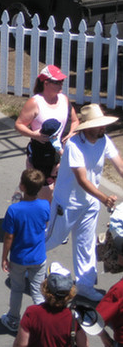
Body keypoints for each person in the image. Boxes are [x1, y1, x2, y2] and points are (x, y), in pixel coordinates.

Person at [45, 104, 123, 302]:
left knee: (86, 245)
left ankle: (85, 286)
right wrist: (104, 198)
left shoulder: (104, 140)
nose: (102, 129)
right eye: (98, 126)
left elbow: (119, 164)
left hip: (90, 204)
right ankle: (26, 262)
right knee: (52, 239)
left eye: (103, 125)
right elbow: (82, 180)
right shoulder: (74, 145)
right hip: (67, 204)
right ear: (87, 127)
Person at [15, 65, 79, 201]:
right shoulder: (35, 102)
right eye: (57, 82)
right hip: (40, 156)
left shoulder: (64, 99)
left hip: (61, 153)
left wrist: (72, 133)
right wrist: (35, 135)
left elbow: (75, 121)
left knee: (61, 194)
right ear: (46, 83)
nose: (61, 84)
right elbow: (19, 125)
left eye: (62, 81)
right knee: (46, 196)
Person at [1, 168, 51, 333]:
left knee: (17, 288)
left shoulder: (14, 210)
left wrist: (4, 257)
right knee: (37, 291)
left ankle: (13, 319)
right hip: (38, 257)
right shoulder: (45, 205)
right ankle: (43, 322)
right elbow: (44, 225)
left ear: (22, 186)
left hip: (19, 258)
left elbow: (9, 237)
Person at [10, 263, 88, 347]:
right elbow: (84, 346)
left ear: (45, 288)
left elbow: (21, 344)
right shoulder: (73, 316)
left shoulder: (32, 313)